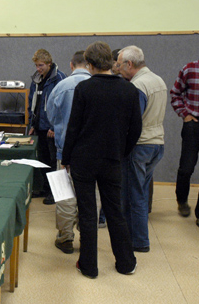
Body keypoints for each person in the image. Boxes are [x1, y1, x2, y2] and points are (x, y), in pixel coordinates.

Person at [62, 41, 141, 278]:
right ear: (111, 61)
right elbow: (136, 129)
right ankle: (126, 263)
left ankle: (89, 266)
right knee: (115, 210)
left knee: (87, 213)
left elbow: (73, 127)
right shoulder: (129, 90)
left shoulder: (84, 89)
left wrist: (66, 158)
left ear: (90, 64)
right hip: (112, 159)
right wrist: (122, 151)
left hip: (84, 160)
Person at [117, 45, 167, 252]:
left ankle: (139, 241)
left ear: (129, 64)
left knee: (133, 195)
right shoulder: (158, 80)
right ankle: (135, 236)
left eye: (119, 64)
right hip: (157, 145)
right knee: (141, 193)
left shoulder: (137, 87)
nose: (117, 68)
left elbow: (133, 122)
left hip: (140, 146)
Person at [47, 50, 91, 254]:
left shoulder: (61, 87)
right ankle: (88, 236)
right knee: (90, 196)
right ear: (90, 65)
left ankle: (65, 238)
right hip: (92, 153)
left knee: (64, 196)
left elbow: (51, 116)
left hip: (64, 152)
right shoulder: (98, 86)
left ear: (71, 65)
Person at [170, 54, 199, 233]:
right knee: (186, 168)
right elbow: (175, 94)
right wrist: (185, 114)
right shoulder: (190, 69)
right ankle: (182, 200)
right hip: (193, 124)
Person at [28, 49, 67, 204]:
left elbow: (60, 105)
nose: (38, 69)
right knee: (42, 160)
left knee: (53, 161)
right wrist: (32, 123)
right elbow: (32, 103)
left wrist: (53, 126)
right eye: (37, 65)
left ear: (49, 64)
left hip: (51, 129)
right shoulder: (36, 79)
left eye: (41, 65)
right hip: (39, 127)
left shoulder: (59, 78)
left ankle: (54, 192)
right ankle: (44, 188)